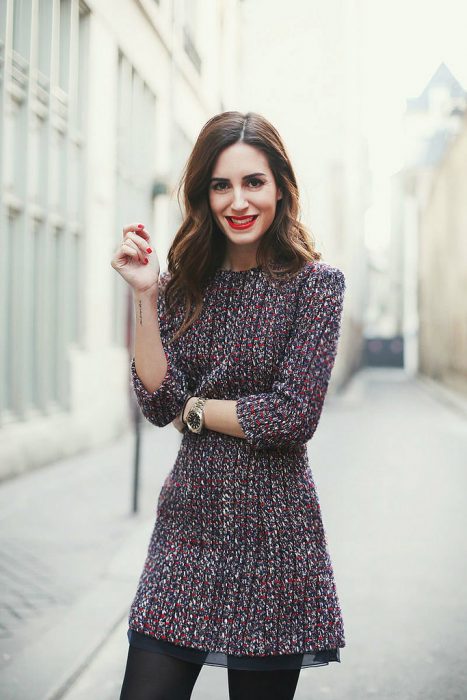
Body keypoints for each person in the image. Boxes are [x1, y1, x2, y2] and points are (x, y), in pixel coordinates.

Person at [111, 111, 346, 700]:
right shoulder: (184, 284)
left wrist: (198, 412)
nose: (237, 200)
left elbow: (293, 416)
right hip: (187, 530)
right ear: (203, 194)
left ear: (280, 190)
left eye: (253, 183)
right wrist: (145, 296)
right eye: (221, 185)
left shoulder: (317, 287)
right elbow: (158, 400)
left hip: (275, 537)